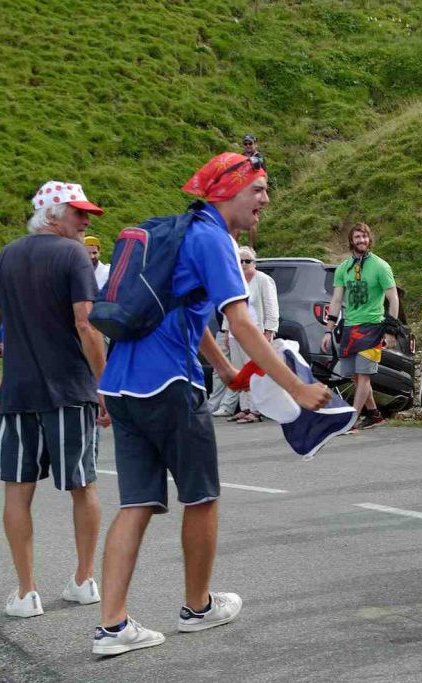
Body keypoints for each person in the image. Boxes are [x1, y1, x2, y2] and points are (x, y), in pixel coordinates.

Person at [93, 152, 331, 655]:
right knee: (201, 496)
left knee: (135, 503)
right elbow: (241, 321)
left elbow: (189, 310)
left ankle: (111, 627)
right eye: (259, 189)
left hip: (121, 383)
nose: (266, 199)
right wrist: (296, 387)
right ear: (227, 192)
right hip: (169, 385)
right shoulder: (215, 239)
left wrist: (224, 369)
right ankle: (198, 607)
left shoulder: (183, 233)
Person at [0, 181, 109, 618]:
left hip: (17, 392)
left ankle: (26, 592)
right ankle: (83, 580)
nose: (85, 222)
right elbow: (86, 324)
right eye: (78, 214)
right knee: (82, 485)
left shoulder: (6, 256)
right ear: (52, 215)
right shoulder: (72, 255)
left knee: (17, 488)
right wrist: (105, 386)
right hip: (68, 388)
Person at [321, 223, 398, 430]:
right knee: (355, 376)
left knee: (363, 376)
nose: (361, 240)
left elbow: (393, 298)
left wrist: (391, 329)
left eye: (364, 237)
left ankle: (351, 420)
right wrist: (328, 329)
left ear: (369, 239)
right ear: (351, 241)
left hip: (373, 327)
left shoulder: (381, 266)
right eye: (357, 237)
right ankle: (374, 414)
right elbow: (336, 300)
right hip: (349, 327)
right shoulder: (343, 268)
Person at [223, 246, 279, 424]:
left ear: (254, 263)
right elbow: (228, 308)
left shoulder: (263, 280)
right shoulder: (233, 280)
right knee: (240, 371)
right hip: (235, 333)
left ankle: (256, 410)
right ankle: (244, 407)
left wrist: (269, 331)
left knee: (254, 372)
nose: (244, 264)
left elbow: (271, 308)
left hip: (256, 333)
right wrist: (226, 330)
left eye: (248, 260)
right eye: (240, 261)